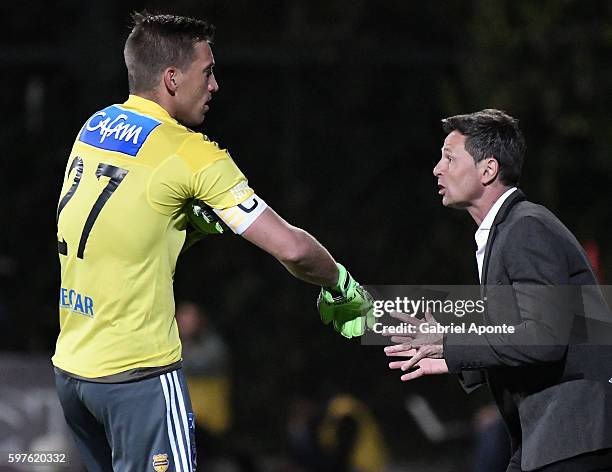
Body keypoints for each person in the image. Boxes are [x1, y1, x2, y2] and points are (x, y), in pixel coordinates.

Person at [53, 12, 371, 472]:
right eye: (208, 71)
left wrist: (192, 229)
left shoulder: (94, 127)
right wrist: (342, 285)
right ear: (171, 78)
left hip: (74, 374)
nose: (216, 85)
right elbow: (293, 249)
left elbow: (123, 237)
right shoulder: (190, 152)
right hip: (137, 378)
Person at [384, 109, 612, 471]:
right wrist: (454, 356)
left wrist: (451, 343)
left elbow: (545, 338)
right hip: (551, 436)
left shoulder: (525, 228)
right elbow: (525, 333)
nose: (437, 168)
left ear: (488, 170)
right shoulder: (507, 231)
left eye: (449, 157)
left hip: (575, 436)